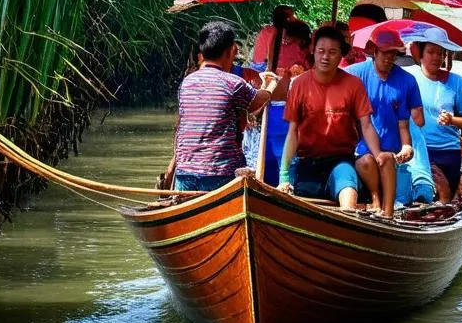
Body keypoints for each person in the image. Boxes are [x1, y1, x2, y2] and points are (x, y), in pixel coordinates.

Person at [278, 25, 384, 210]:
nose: (325, 57)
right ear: (313, 51)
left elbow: (366, 125)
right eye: (321, 51)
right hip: (308, 161)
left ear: (340, 55)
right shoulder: (299, 85)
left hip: (341, 159)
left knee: (348, 193)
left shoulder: (354, 85)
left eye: (332, 52)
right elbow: (292, 132)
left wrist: (379, 156)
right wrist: (284, 176)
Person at [173, 21, 278, 191]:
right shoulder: (234, 83)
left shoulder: (187, 83)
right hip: (220, 175)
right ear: (231, 52)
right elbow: (257, 102)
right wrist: (271, 85)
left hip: (184, 174)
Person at [345, 27, 424, 217]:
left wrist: (407, 147)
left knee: (386, 158)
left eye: (393, 54)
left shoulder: (407, 81)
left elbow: (406, 123)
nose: (388, 59)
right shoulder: (356, 74)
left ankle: (387, 214)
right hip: (363, 148)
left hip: (392, 151)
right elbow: (331, 77)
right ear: (374, 51)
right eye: (384, 53)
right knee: (367, 161)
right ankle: (375, 200)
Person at [406, 25, 462, 199]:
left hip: (448, 151)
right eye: (431, 52)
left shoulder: (457, 82)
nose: (436, 57)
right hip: (417, 150)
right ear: (420, 54)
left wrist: (452, 120)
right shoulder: (408, 78)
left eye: (440, 52)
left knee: (444, 196)